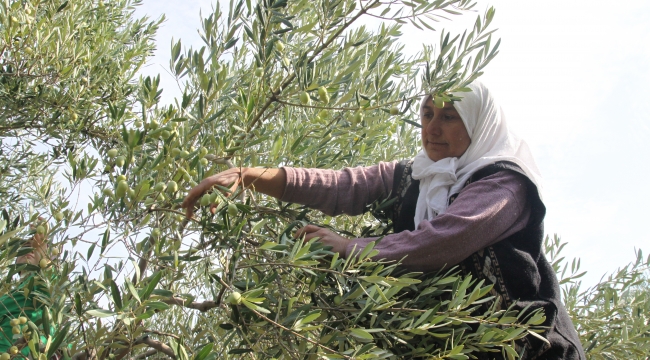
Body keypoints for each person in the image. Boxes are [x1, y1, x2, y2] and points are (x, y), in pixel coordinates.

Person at [182, 82, 585, 359]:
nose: (432, 127)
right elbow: (343, 186)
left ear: (479, 122)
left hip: (532, 348)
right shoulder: (416, 174)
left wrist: (350, 248)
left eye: (450, 116)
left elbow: (445, 238)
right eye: (427, 114)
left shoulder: (504, 181)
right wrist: (248, 177)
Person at [0, 219, 52, 356]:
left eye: (33, 247)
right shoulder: (8, 294)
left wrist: (42, 249)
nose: (30, 250)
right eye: (24, 248)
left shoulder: (42, 281)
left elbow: (49, 283)